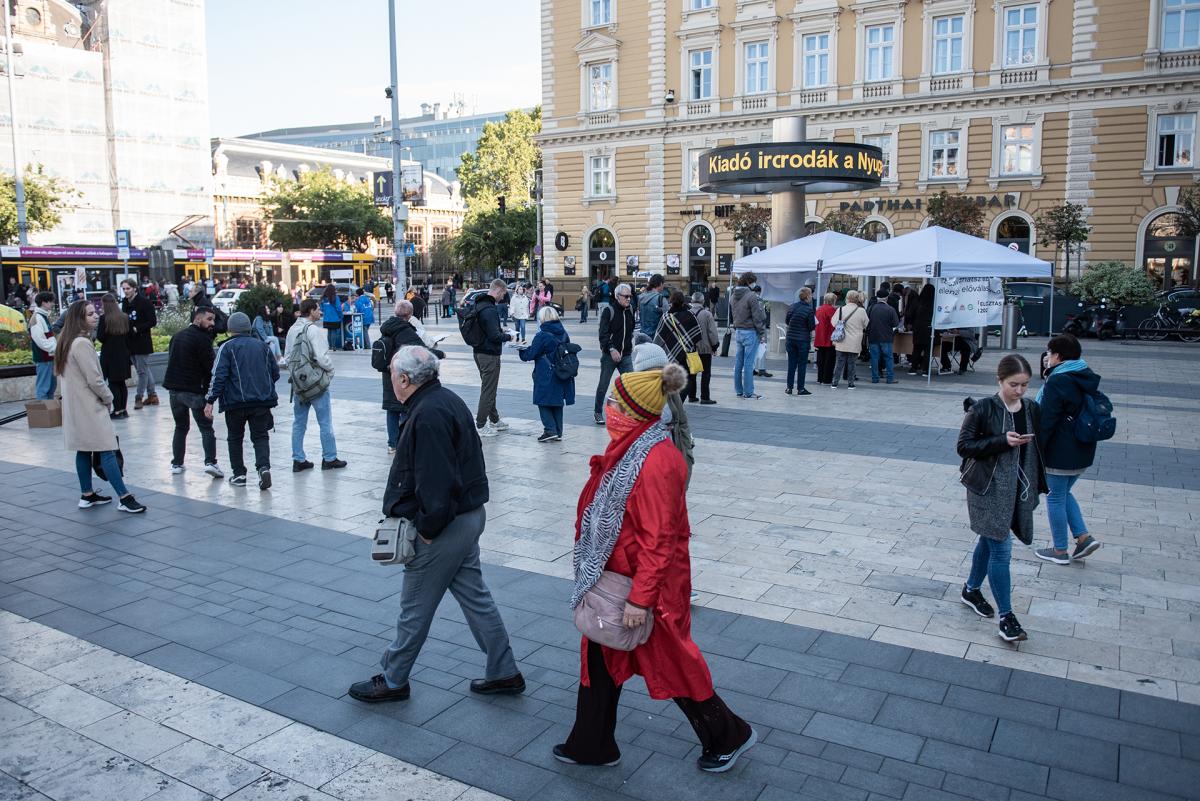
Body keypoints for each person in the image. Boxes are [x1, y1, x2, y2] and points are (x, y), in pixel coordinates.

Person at [558, 364, 755, 772]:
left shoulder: (654, 460)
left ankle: (728, 734)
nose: (608, 407)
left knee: (671, 663)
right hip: (614, 581)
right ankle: (591, 744)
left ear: (633, 412)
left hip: (647, 590)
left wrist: (641, 600)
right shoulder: (630, 449)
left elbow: (659, 539)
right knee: (601, 656)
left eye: (614, 403)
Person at [349, 346, 523, 704]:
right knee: (475, 597)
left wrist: (427, 530)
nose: (390, 381)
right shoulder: (443, 399)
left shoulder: (427, 414)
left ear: (404, 379)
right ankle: (504, 671)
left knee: (414, 605)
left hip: (445, 525)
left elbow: (436, 482)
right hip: (467, 517)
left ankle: (394, 678)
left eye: (392, 375)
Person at [958, 354, 1046, 642]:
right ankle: (1007, 617)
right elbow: (964, 446)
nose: (1019, 390)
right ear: (999, 380)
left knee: (989, 537)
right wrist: (1000, 441)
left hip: (1018, 489)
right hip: (987, 488)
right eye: (1013, 384)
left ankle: (971, 589)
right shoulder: (983, 409)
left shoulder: (1031, 408)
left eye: (1024, 385)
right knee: (1001, 548)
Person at [54, 300, 146, 514]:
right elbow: (94, 379)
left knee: (84, 450)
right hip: (89, 406)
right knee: (107, 450)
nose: (95, 316)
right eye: (89, 314)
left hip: (75, 407)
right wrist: (108, 398)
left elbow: (62, 377)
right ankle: (124, 497)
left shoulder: (65, 342)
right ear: (79, 319)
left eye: (94, 313)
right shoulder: (82, 343)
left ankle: (87, 494)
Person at [1034, 334, 1103, 565]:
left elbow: (1047, 420)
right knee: (1064, 493)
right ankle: (1083, 538)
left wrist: (1036, 449)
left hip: (1060, 451)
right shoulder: (1083, 374)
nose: (1047, 357)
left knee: (1054, 497)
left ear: (1058, 356)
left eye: (1049, 353)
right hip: (1082, 450)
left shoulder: (1058, 380)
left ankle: (1060, 550)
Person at [204, 313, 279, 490]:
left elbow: (219, 376)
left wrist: (210, 400)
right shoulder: (263, 346)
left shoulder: (227, 348)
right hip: (261, 401)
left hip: (235, 402)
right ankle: (263, 468)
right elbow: (274, 372)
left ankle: (239, 474)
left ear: (230, 329)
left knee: (235, 438)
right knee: (260, 437)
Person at [286, 298, 347, 472]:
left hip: (298, 383)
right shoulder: (313, 330)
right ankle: (329, 457)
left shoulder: (292, 329)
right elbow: (322, 357)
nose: (320, 312)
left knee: (298, 422)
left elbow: (288, 356)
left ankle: (298, 459)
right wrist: (330, 372)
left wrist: (296, 376)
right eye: (318, 309)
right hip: (315, 383)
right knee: (325, 421)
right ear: (311, 311)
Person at [163, 306, 222, 478]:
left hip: (174, 390)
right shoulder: (202, 339)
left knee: (181, 427)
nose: (212, 323)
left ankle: (177, 463)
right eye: (209, 319)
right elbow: (210, 367)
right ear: (198, 319)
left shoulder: (177, 336)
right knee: (206, 428)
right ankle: (211, 462)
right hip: (194, 390)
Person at [377, 300, 438, 453]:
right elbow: (419, 349)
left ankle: (392, 444)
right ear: (409, 314)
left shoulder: (387, 327)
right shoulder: (405, 330)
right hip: (403, 374)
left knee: (392, 409)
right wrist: (438, 353)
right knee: (405, 407)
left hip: (388, 374)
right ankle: (405, 442)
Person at [632, 341, 694, 486]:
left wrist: (687, 456)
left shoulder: (670, 390)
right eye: (656, 369)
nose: (661, 373)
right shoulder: (633, 396)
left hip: (672, 459)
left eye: (663, 368)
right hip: (646, 468)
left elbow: (682, 422)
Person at [519, 305, 575, 442]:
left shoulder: (542, 335)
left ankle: (549, 430)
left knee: (542, 401)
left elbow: (530, 354)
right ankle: (558, 431)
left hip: (546, 373)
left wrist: (520, 349)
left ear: (542, 319)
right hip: (561, 372)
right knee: (557, 401)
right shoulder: (563, 332)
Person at [471, 279, 515, 437]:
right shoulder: (489, 309)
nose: (503, 297)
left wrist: (499, 329)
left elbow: (487, 329)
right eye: (503, 293)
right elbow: (494, 336)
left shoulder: (480, 304)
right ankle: (481, 425)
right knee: (488, 390)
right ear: (498, 290)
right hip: (489, 354)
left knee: (490, 388)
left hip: (479, 352)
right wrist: (508, 337)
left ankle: (494, 420)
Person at [594, 283, 635, 425]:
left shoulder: (630, 310)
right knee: (603, 385)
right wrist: (611, 349)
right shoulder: (609, 311)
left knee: (631, 385)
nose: (629, 299)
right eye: (626, 296)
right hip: (609, 355)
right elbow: (603, 334)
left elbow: (631, 331)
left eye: (630, 296)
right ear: (617, 297)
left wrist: (629, 347)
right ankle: (598, 412)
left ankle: (630, 413)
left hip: (626, 355)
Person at [119, 278, 158, 409]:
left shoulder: (144, 302)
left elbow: (152, 321)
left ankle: (139, 397)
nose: (126, 291)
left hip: (141, 340)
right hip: (129, 340)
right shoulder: (124, 302)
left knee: (142, 371)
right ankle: (152, 395)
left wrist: (138, 328)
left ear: (134, 288)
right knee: (144, 369)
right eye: (124, 289)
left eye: (128, 288)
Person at [729, 272, 765, 399]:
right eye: (753, 281)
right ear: (749, 282)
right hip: (750, 332)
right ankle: (749, 392)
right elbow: (757, 317)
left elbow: (733, 314)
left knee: (739, 363)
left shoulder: (733, 295)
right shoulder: (752, 296)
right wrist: (761, 333)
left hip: (738, 331)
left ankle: (739, 390)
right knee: (749, 364)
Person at [97, 294, 133, 419]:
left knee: (113, 383)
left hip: (110, 354)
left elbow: (100, 336)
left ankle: (117, 410)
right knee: (122, 383)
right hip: (123, 353)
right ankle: (123, 409)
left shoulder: (104, 318)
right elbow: (130, 336)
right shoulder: (124, 317)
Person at [830, 290, 868, 390]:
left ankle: (835, 383)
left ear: (847, 298)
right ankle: (851, 383)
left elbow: (833, 323)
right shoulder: (861, 311)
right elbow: (866, 324)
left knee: (839, 363)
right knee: (852, 363)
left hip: (841, 340)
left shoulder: (840, 309)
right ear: (857, 299)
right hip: (855, 341)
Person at [686, 292, 719, 404]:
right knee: (706, 373)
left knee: (692, 372)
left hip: (691, 349)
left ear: (692, 301)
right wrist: (715, 345)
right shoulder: (707, 314)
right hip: (705, 348)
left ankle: (691, 396)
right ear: (702, 301)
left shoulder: (687, 313)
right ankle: (705, 397)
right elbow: (712, 332)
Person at [783, 288, 815, 396]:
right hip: (802, 341)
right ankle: (800, 388)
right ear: (807, 297)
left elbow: (787, 321)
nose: (811, 297)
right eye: (810, 295)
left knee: (791, 364)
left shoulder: (792, 306)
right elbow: (811, 327)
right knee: (802, 365)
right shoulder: (809, 310)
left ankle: (789, 388)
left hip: (790, 339)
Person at [866, 288, 901, 385]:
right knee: (889, 358)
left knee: (874, 358)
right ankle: (890, 378)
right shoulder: (890, 309)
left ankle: (875, 378)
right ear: (886, 298)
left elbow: (866, 322)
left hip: (873, 337)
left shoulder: (870, 308)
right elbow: (895, 323)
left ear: (877, 297)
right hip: (886, 337)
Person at [28, 291, 57, 400]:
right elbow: (40, 340)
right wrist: (55, 348)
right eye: (51, 301)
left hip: (48, 357)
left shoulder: (42, 316)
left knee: (50, 387)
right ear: (44, 303)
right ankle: (44, 415)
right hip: (44, 358)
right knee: (44, 388)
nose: (53, 304)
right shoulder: (37, 318)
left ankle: (49, 413)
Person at [910, 284, 935, 376]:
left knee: (916, 348)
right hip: (928, 328)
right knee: (928, 350)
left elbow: (910, 314)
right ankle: (925, 370)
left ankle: (913, 368)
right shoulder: (934, 303)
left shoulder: (917, 301)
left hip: (917, 328)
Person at [813, 292, 837, 385]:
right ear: (833, 300)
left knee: (821, 359)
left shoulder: (819, 309)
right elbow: (834, 323)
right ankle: (826, 379)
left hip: (819, 337)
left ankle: (820, 378)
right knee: (829, 360)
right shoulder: (831, 309)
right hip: (828, 337)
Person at [751, 286, 773, 378]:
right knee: (762, 347)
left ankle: (751, 369)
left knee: (752, 349)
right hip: (760, 327)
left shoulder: (748, 299)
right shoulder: (759, 300)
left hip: (750, 328)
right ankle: (762, 369)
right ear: (759, 292)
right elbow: (762, 316)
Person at [320, 284, 343, 350]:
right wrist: (341, 316)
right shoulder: (335, 297)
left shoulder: (323, 298)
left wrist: (326, 311)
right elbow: (338, 308)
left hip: (326, 318)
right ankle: (333, 346)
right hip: (334, 318)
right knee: (334, 332)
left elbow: (321, 308)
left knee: (329, 331)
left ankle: (330, 346)